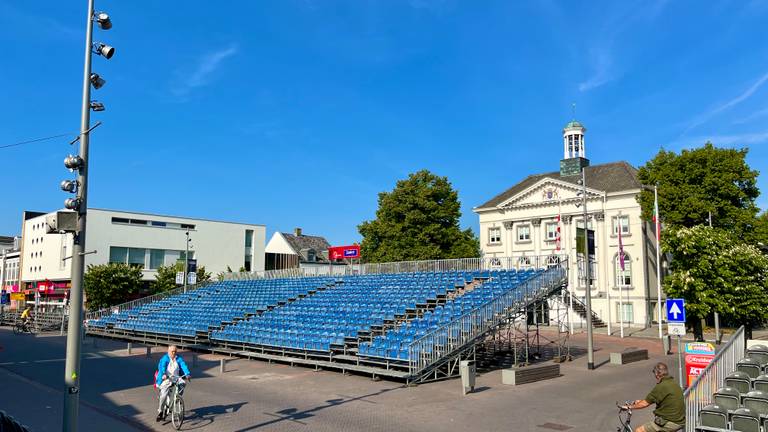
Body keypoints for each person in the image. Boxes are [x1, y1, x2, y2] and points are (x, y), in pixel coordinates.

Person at [622, 362, 685, 432]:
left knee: (639, 430)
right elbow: (654, 399)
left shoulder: (661, 386)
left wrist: (629, 407)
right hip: (679, 421)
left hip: (670, 422)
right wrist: (640, 401)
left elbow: (644, 404)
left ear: (657, 374)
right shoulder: (673, 383)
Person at [155, 345, 191, 422]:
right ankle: (160, 411)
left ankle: (177, 398)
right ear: (168, 351)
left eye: (175, 351)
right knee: (163, 395)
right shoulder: (165, 358)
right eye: (172, 351)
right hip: (166, 378)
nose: (174, 353)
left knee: (183, 383)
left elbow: (183, 365)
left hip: (176, 377)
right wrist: (164, 374)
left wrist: (187, 374)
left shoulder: (179, 358)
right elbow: (162, 366)